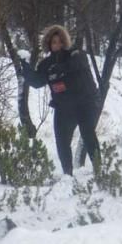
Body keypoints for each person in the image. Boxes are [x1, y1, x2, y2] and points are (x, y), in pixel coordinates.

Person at [18, 25, 101, 176]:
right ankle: (68, 176)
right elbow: (37, 82)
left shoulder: (76, 54)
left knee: (88, 133)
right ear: (49, 44)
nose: (57, 45)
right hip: (64, 107)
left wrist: (56, 71)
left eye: (60, 41)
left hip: (85, 103)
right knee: (62, 142)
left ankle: (100, 172)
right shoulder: (46, 64)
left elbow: (74, 65)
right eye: (53, 42)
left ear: (65, 42)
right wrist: (26, 69)